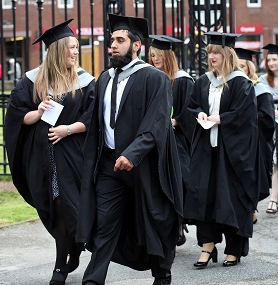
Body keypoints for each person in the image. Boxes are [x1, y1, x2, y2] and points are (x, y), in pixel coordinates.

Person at [76, 13, 183, 285]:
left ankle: (162, 274)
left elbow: (157, 122)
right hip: (110, 166)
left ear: (136, 45)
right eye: (112, 40)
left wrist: (132, 154)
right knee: (105, 224)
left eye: (120, 40)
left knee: (155, 218)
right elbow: (94, 119)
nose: (112, 45)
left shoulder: (154, 78)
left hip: (145, 165)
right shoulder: (104, 78)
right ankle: (93, 280)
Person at [4, 19, 95, 285]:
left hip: (74, 157)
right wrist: (39, 111)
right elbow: (17, 117)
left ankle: (61, 265)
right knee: (55, 208)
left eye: (77, 47)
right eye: (71, 48)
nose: (76, 52)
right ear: (57, 51)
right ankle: (71, 253)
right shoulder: (32, 81)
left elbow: (94, 118)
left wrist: (68, 129)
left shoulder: (85, 81)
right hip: (44, 159)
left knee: (70, 208)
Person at [184, 31, 261, 269]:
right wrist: (198, 113)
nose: (212, 57)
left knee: (231, 200)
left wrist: (221, 119)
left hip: (231, 155)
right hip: (207, 152)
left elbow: (245, 116)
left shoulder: (241, 83)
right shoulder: (203, 81)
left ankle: (233, 249)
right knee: (203, 197)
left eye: (216, 52)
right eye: (210, 53)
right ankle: (207, 246)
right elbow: (191, 106)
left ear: (227, 54)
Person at [148, 35, 195, 246]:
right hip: (156, 141)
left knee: (179, 181)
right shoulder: (151, 78)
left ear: (167, 56)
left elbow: (189, 111)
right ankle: (167, 227)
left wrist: (175, 121)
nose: (154, 59)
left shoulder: (182, 80)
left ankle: (179, 223)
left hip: (176, 141)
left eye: (158, 56)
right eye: (151, 56)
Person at [235, 47, 275, 222]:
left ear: (249, 67)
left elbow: (267, 119)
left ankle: (251, 208)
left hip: (254, 142)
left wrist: (248, 119)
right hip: (235, 140)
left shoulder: (260, 89)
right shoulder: (232, 86)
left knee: (251, 175)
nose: (239, 69)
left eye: (242, 66)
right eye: (237, 66)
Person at [259, 44, 278, 214]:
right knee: (275, 162)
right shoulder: (263, 80)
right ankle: (273, 199)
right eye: (269, 60)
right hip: (272, 124)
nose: (271, 63)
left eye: (274, 59)